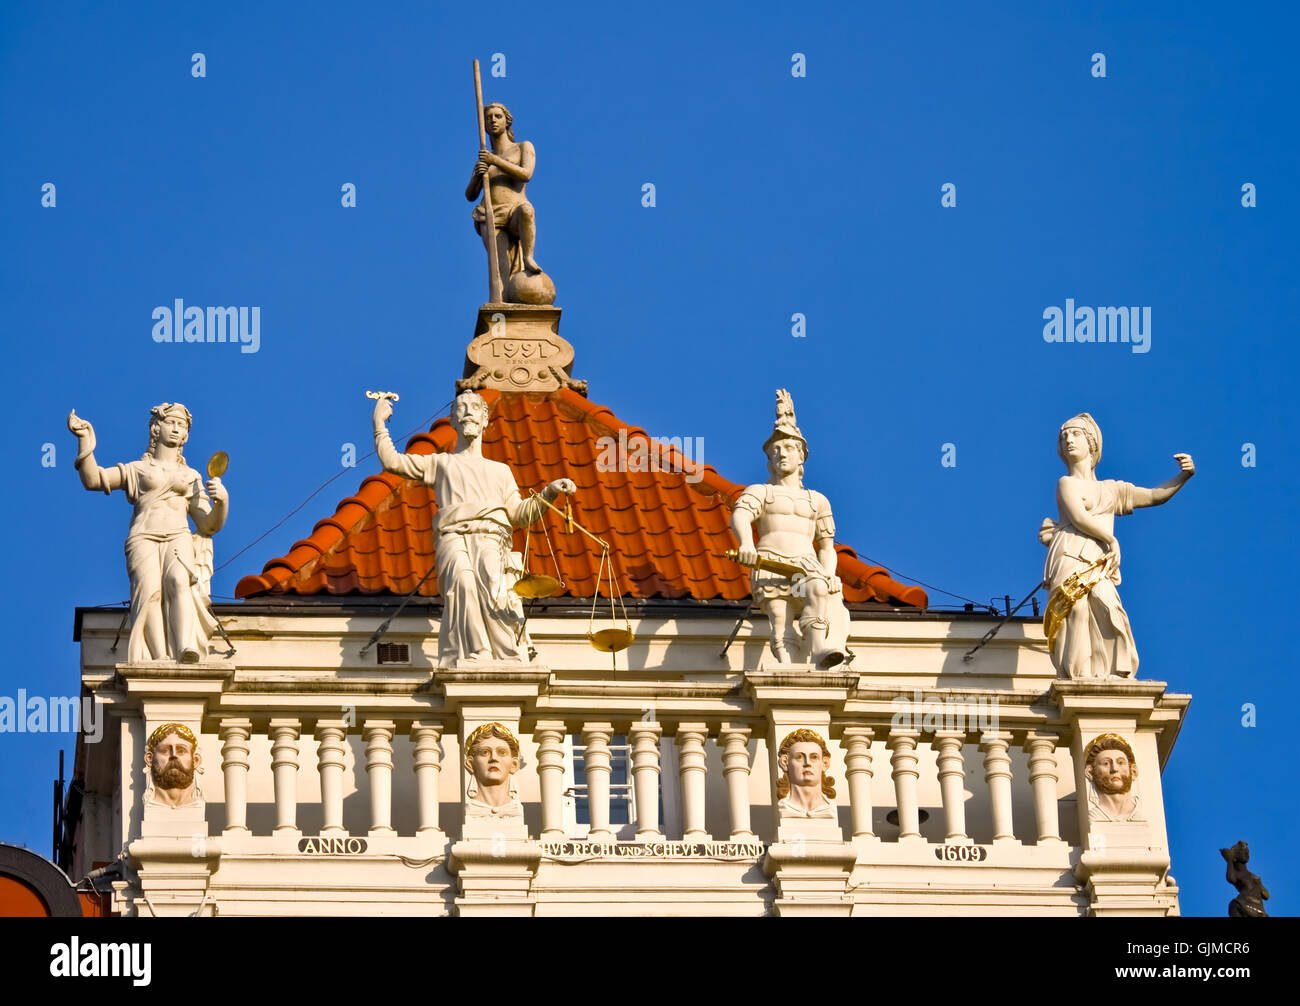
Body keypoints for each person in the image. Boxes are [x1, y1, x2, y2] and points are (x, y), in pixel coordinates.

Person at [373, 390, 574, 664]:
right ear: (452, 420)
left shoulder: (500, 471)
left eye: (474, 408)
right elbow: (393, 462)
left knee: (494, 590)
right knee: (463, 585)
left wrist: (549, 492)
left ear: (484, 419)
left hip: (491, 539)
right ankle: (475, 653)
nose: (468, 411)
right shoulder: (441, 463)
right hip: (453, 537)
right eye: (461, 408)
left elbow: (519, 513)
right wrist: (380, 424)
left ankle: (507, 655)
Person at [67, 403, 227, 663]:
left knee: (178, 581)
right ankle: (158, 656)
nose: (177, 429)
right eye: (171, 423)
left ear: (186, 435)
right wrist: (85, 440)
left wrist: (223, 502)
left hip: (178, 534)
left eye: (182, 426)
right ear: (156, 427)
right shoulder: (137, 470)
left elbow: (209, 525)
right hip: (144, 536)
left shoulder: (191, 475)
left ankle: (185, 646)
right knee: (149, 593)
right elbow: (93, 480)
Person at [1039, 413, 1194, 679]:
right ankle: (1078, 676)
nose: (1068, 440)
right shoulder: (1066, 483)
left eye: (1075, 434)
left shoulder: (1111, 490)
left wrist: (1183, 476)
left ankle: (1112, 672)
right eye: (1064, 436)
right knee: (1074, 610)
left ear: (1092, 443)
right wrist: (1110, 539)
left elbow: (1155, 496)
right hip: (1070, 552)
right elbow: (1078, 517)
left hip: (1100, 560)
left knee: (1108, 607)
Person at [731, 390, 850, 668]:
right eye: (775, 451)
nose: (780, 454)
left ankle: (820, 649)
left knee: (818, 588)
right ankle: (787, 667)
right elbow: (740, 515)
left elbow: (826, 547)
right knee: (780, 619)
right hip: (770, 560)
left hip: (805, 562)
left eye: (787, 449)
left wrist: (829, 573)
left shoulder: (817, 500)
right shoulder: (761, 492)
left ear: (801, 456)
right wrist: (746, 544)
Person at [466, 102, 542, 292]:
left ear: (507, 121)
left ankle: (528, 257)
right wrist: (477, 175)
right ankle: (503, 307)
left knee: (527, 211)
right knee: (500, 271)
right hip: (490, 214)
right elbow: (470, 195)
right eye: (488, 117)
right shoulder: (485, 159)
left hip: (514, 208)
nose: (492, 120)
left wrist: (495, 161)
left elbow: (526, 174)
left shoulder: (523, 147)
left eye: (497, 116)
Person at [463, 722, 523, 818]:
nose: (494, 758)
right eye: (485, 752)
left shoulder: (514, 808)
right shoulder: (473, 808)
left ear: (514, 765)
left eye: (502, 752)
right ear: (470, 764)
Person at [776, 729, 837, 819]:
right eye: (799, 757)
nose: (807, 763)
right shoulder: (784, 807)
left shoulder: (830, 808)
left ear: (824, 763)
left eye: (814, 757)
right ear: (785, 762)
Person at [1083, 733, 1141, 822]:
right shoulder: (1095, 816)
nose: (1114, 769)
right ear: (1090, 772)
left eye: (1121, 762)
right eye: (1106, 763)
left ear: (1133, 771)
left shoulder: (1138, 816)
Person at [145, 722, 202, 808]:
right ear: (149, 759)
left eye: (181, 750)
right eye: (164, 750)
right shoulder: (151, 806)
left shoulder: (197, 806)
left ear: (196, 760)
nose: (173, 755)